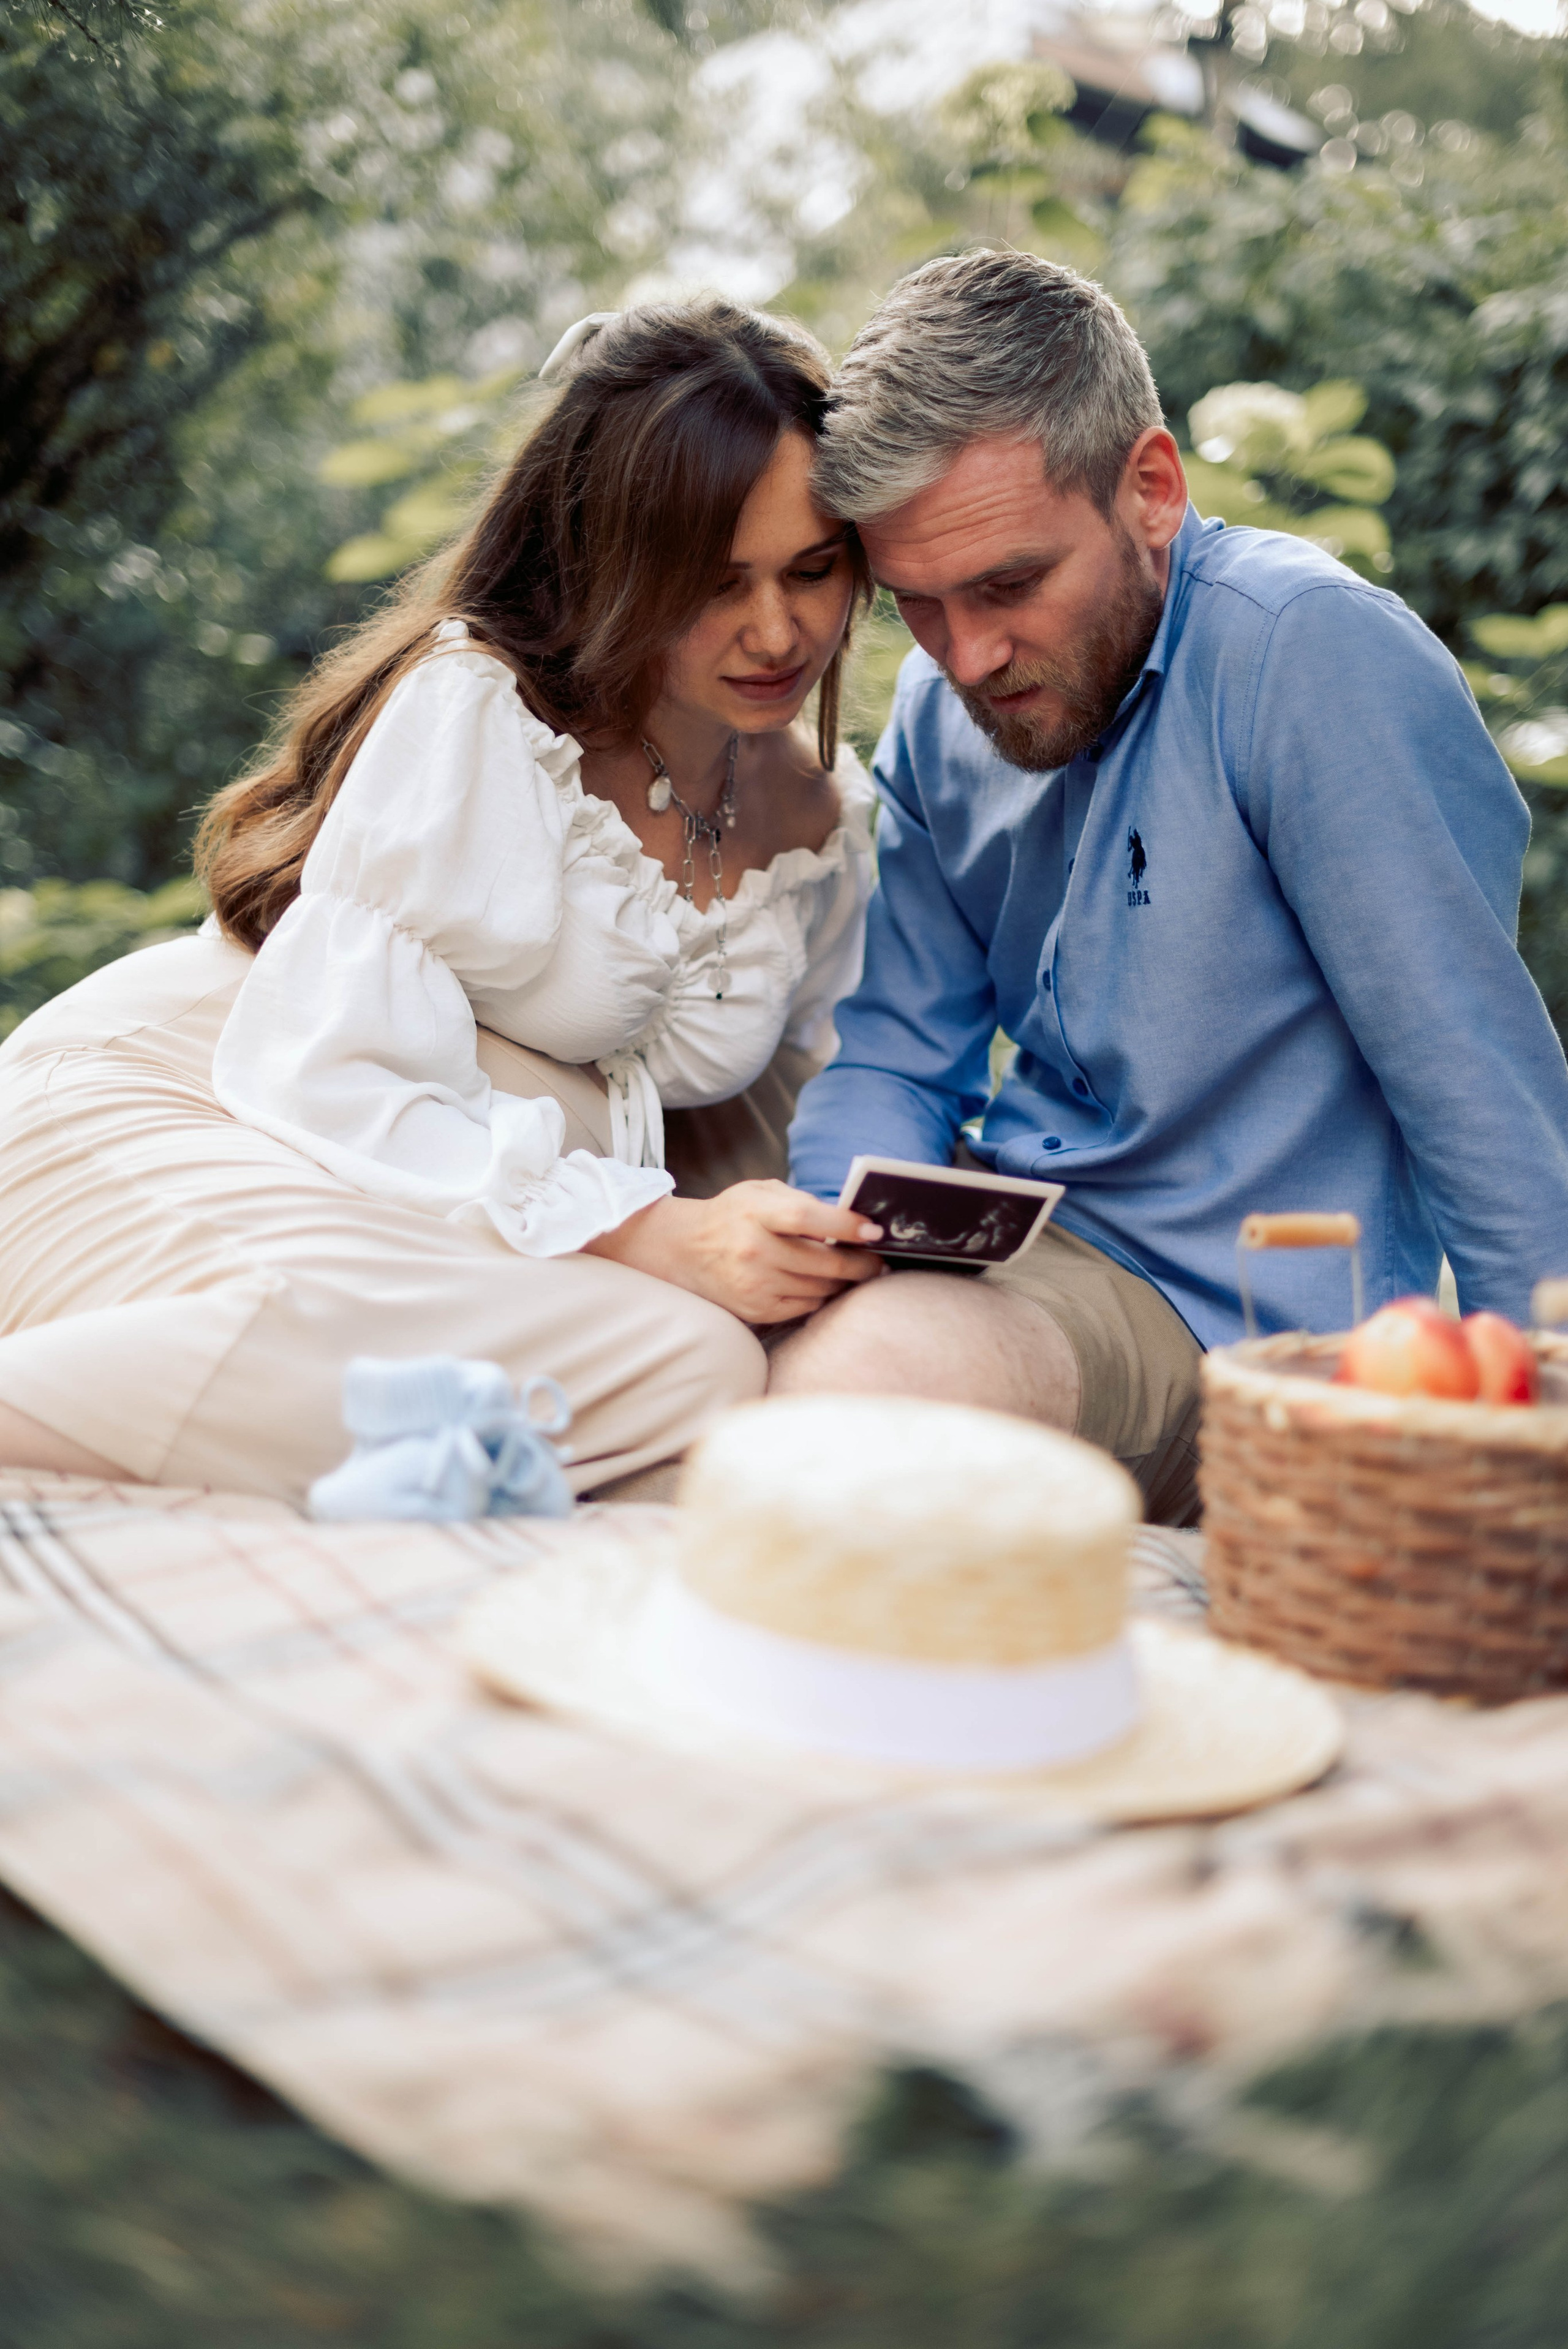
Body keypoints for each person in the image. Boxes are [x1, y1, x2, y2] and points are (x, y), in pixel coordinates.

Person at [0, 300, 887, 1502]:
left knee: (692, 1368)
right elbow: (333, 1072)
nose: (776, 631)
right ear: (610, 565)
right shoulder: (484, 710)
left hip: (432, 1200)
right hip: (210, 1099)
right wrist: (643, 1231)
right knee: (658, 1353)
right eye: (712, 583)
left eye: (812, 571)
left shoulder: (822, 816)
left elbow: (829, 1089)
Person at [778, 248, 1568, 1525]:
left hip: (1236, 1321)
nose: (966, 656)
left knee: (862, 1388)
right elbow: (889, 1054)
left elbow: (1472, 1085)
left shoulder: (1305, 659)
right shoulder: (939, 709)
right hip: (1015, 1242)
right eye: (916, 606)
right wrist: (822, 1233)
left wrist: (1532, 1440)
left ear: (1148, 489)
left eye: (1008, 585)